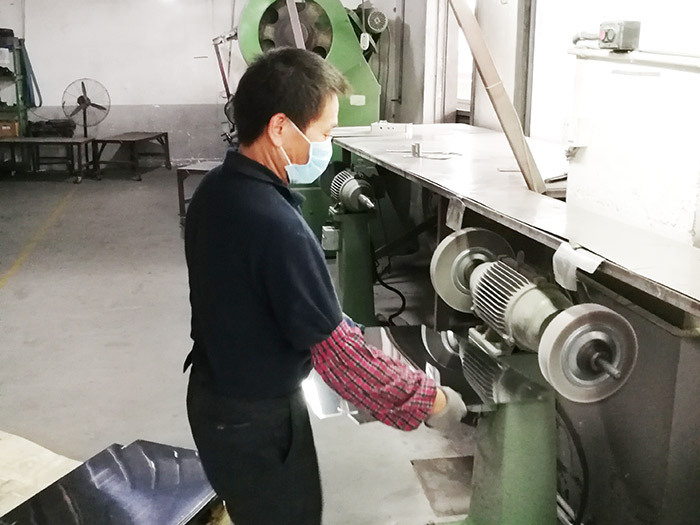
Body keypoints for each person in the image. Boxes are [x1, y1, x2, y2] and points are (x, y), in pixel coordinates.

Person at [184, 47, 467, 525]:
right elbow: (342, 362)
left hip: (213, 398)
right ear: (279, 128)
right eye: (324, 133)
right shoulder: (277, 226)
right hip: (257, 421)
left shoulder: (215, 190)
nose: (328, 147)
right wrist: (432, 400)